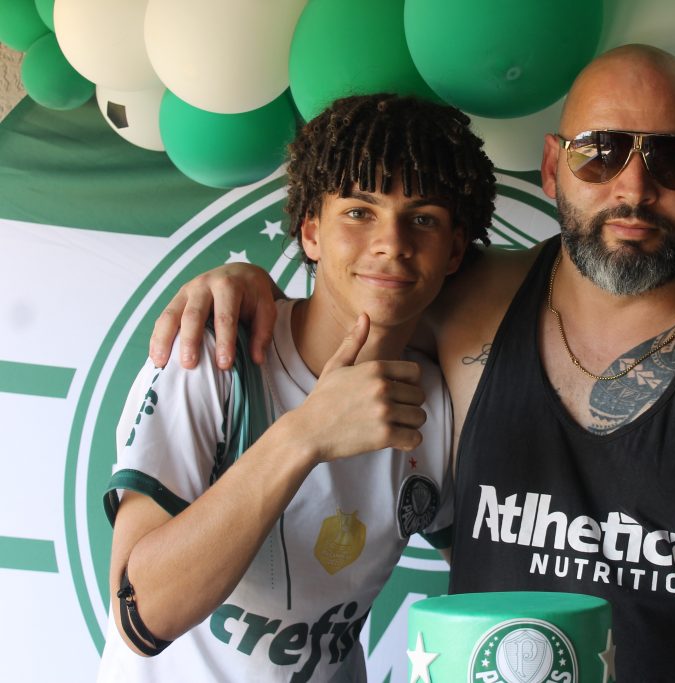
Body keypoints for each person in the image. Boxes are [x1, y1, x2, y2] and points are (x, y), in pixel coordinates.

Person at [150, 46, 675, 681]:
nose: (634, 187)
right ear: (554, 166)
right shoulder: (466, 299)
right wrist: (243, 284)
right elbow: (353, 286)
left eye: (671, 159)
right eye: (601, 154)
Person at [98, 93, 496, 682]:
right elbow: (141, 616)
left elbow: (497, 580)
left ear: (455, 249)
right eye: (359, 212)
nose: (391, 242)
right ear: (311, 232)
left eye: (423, 219)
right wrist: (305, 435)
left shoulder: (442, 402)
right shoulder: (216, 355)